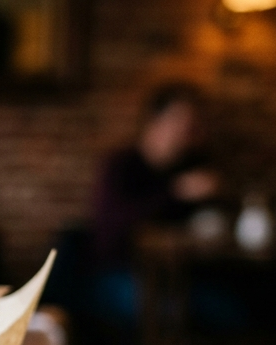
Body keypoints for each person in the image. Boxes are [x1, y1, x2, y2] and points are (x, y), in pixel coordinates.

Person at [91, 83, 220, 271]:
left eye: (193, 121)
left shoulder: (192, 164)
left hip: (182, 272)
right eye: (178, 119)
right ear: (153, 121)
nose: (186, 128)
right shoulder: (121, 165)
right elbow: (113, 226)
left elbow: (212, 223)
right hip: (118, 269)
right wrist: (176, 193)